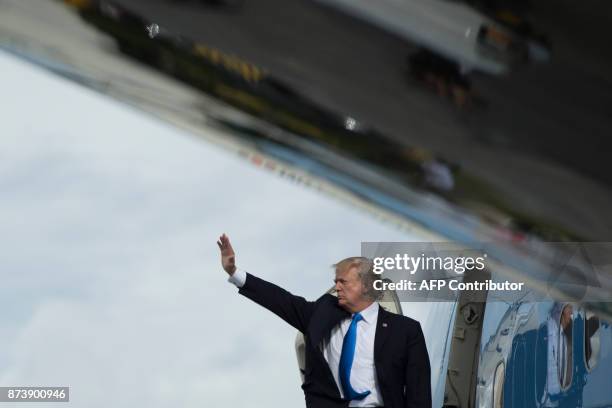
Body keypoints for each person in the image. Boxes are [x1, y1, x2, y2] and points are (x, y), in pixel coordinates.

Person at [217, 234, 432, 408]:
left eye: (343, 282)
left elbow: (419, 394)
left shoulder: (406, 331)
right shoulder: (321, 313)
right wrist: (234, 273)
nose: (337, 287)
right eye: (335, 281)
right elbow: (280, 299)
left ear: (366, 286)